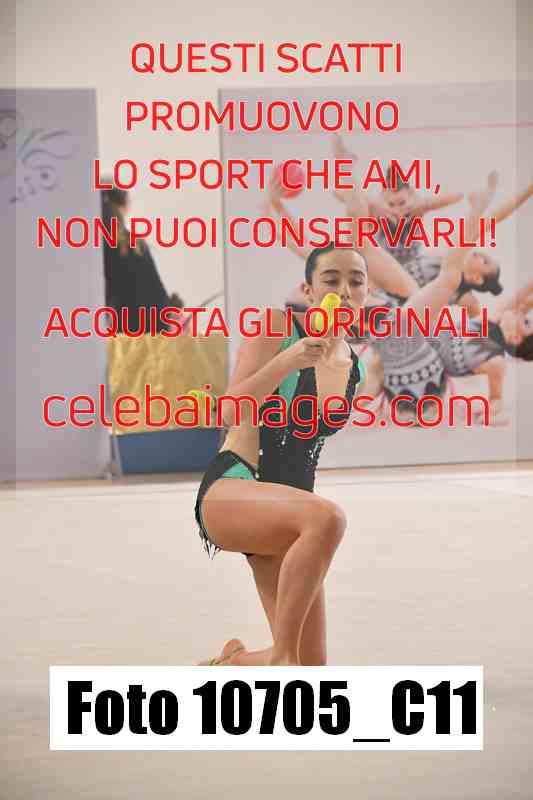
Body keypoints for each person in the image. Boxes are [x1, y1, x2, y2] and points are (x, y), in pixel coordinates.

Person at [194, 242, 369, 667]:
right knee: (330, 517)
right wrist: (288, 361)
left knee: (315, 673)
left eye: (356, 281)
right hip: (235, 487)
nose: (344, 291)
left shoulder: (355, 368)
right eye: (331, 279)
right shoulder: (277, 327)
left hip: (289, 518)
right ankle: (281, 657)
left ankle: (234, 662)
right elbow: (228, 411)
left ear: (367, 293)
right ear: (308, 290)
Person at [100, 180, 173, 333]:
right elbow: (157, 294)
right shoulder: (134, 243)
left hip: (127, 329)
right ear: (125, 205)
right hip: (154, 327)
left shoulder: (100, 245)